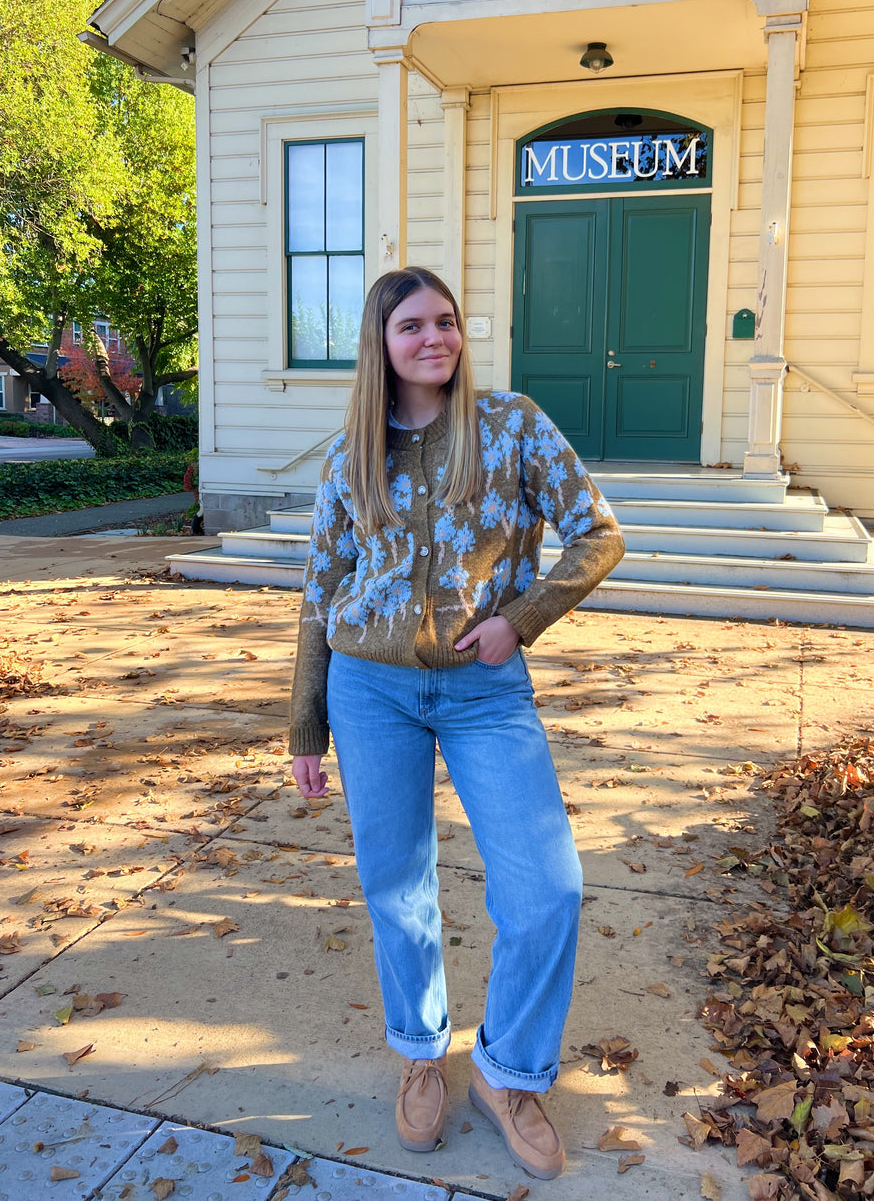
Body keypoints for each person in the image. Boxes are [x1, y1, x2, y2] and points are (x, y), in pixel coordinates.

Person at [289, 266, 624, 1180]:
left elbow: (598, 532)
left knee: (548, 886)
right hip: (370, 690)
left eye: (445, 321)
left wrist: (522, 618)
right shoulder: (351, 454)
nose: (434, 337)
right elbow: (320, 589)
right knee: (397, 885)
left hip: (484, 690)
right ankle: (419, 1053)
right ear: (381, 342)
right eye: (412, 325)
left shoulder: (510, 424)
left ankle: (507, 1072)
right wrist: (306, 724)